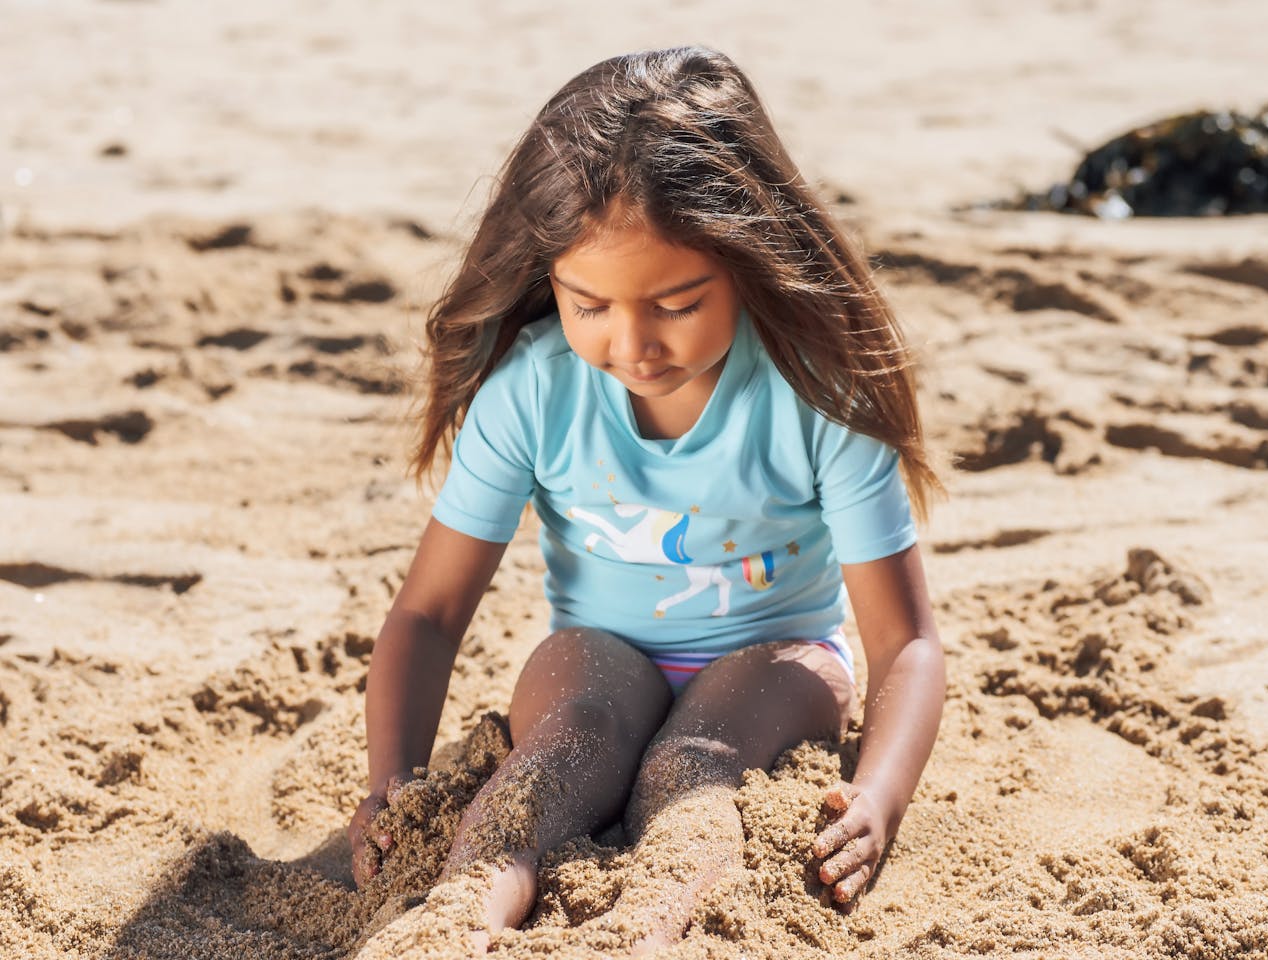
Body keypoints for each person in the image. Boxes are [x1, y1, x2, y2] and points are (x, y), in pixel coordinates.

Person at [346, 45, 946, 955]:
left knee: (694, 763)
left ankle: (648, 931)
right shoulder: (534, 390)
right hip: (597, 658)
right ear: (550, 277)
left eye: (676, 303)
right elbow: (428, 614)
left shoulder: (819, 394)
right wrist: (394, 781)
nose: (633, 343)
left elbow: (904, 642)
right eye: (589, 306)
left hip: (772, 663)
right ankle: (453, 922)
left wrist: (879, 795)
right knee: (563, 745)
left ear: (747, 255)